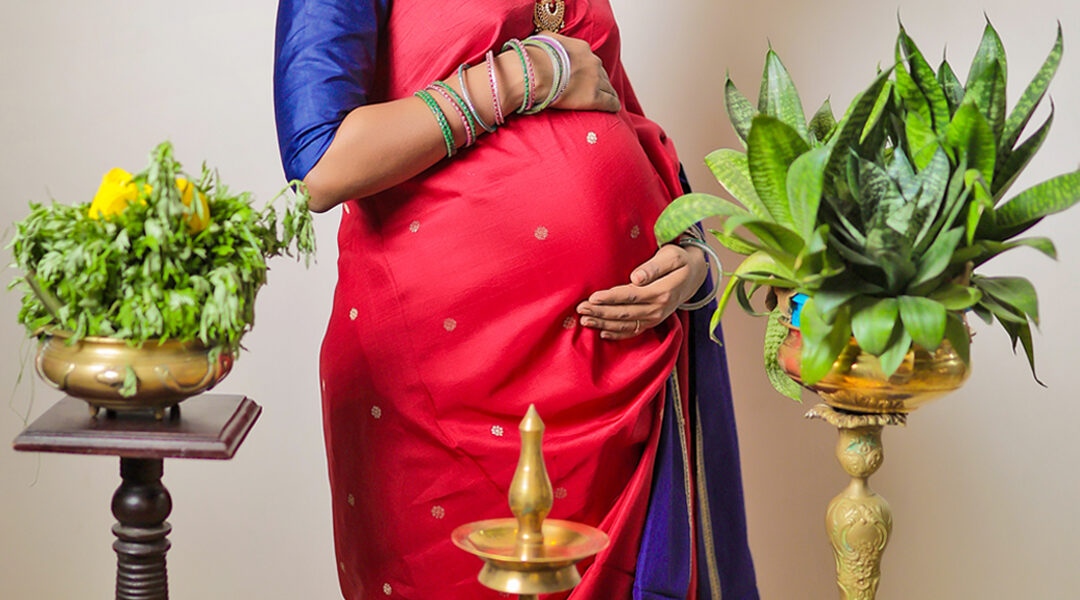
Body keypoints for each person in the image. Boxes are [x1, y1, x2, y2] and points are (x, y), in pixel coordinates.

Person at [273, 1, 758, 598]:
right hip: (450, 387)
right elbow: (321, 163)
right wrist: (532, 72)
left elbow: (621, 114)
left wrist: (686, 255)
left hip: (621, 369)